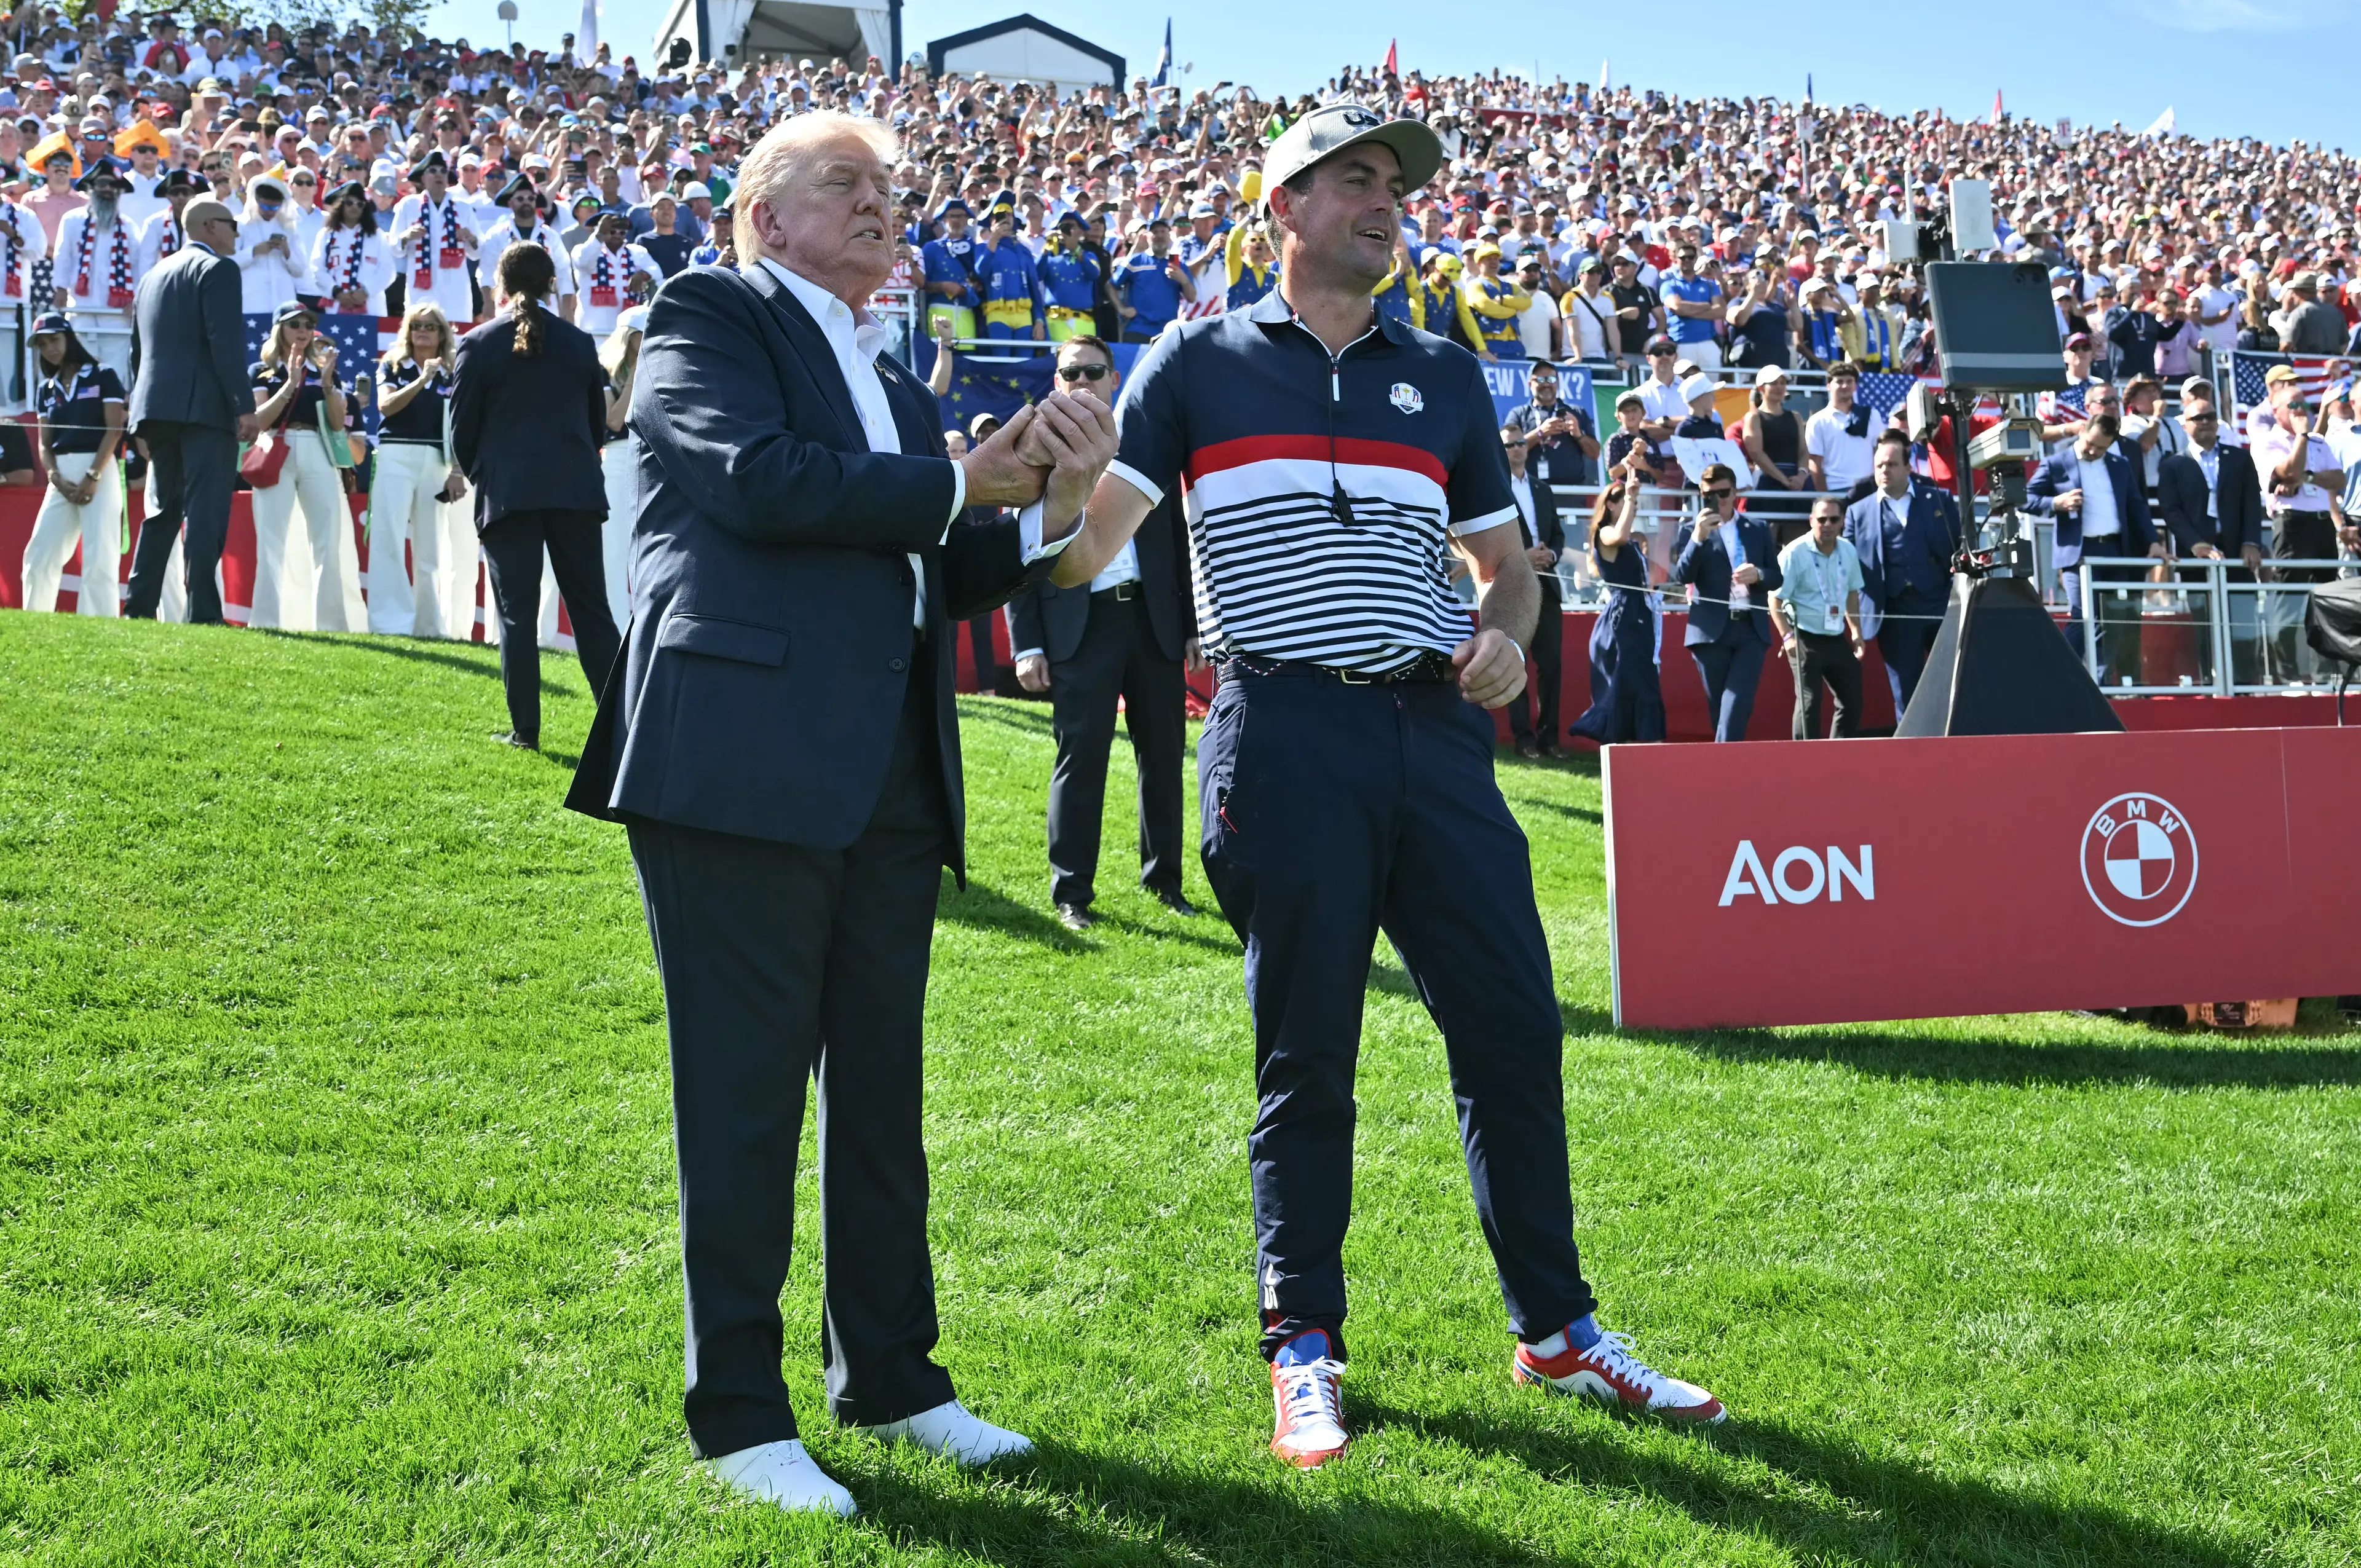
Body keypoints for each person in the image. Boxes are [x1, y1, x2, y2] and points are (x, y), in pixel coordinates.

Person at [1053, 102, 1724, 1473]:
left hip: (1436, 742)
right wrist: (1045, 503)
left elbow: (1513, 571)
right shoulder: (1194, 357)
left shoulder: (1447, 374)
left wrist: (1508, 638)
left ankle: (1557, 1328)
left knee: (1514, 1031)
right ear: (1282, 208)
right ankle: (1304, 1343)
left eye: (1395, 183)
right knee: (1308, 1053)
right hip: (1285, 730)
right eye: (1351, 179)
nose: (1384, 200)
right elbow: (1088, 550)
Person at [561, 110, 1115, 1517]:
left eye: (887, 187)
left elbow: (925, 565)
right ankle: (738, 1408)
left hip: (885, 775)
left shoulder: (889, 372)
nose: (880, 204)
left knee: (878, 1099)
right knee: (741, 1100)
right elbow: (761, 480)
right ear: (764, 212)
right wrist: (957, 480)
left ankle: (893, 1375)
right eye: (842, 184)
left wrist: (1052, 508)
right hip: (738, 761)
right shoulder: (704, 312)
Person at [1004, 334, 1200, 929]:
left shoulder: (1147, 443)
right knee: (1080, 757)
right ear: (1056, 382)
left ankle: (1164, 881)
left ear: (1115, 379)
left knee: (1164, 755)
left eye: (1095, 371)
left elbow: (1179, 546)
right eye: (1072, 372)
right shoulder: (1036, 453)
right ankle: (1071, 894)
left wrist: (1193, 626)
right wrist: (1027, 644)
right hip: (1079, 627)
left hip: (1153, 622)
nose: (1084, 381)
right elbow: (1019, 555)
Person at [451, 242, 621, 747]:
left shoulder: (478, 343)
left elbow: (463, 432)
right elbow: (597, 424)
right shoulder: (579, 342)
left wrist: (487, 471)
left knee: (516, 614)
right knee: (593, 611)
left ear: (500, 286)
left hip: (509, 493)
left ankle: (526, 729)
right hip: (575, 488)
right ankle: (624, 726)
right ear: (553, 284)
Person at [123, 197, 256, 624]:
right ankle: (202, 612)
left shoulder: (152, 276)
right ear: (211, 226)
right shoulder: (218, 269)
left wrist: (138, 416)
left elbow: (136, 353)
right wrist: (244, 405)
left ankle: (139, 606)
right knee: (205, 509)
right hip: (203, 407)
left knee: (163, 508)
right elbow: (226, 343)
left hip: (156, 407)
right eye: (232, 224)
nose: (237, 232)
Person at [246, 299, 363, 632]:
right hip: (273, 448)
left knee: (327, 539)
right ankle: (266, 622)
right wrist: (289, 384)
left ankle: (330, 625)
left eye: (308, 325)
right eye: (294, 324)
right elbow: (257, 421)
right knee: (271, 538)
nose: (302, 331)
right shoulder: (261, 370)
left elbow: (339, 424)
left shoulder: (324, 368)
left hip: (317, 447)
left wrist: (327, 386)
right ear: (279, 329)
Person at [2027, 410, 2164, 686]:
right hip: (2079, 555)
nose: (2093, 450)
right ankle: (2053, 677)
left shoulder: (2119, 464)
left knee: (2113, 622)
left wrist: (2153, 542)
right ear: (2083, 431)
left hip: (2115, 553)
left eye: (2101, 447)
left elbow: (2137, 507)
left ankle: (2101, 685)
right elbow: (2026, 498)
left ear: (2111, 444)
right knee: (2082, 617)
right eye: (2090, 443)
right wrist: (2057, 503)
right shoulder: (2057, 462)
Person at [370, 303, 470, 638]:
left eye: (430, 326)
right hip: (396, 453)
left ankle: (429, 625)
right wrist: (422, 379)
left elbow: (460, 426)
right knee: (389, 538)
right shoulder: (393, 364)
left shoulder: (455, 371)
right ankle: (390, 622)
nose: (423, 332)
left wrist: (457, 471)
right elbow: (386, 405)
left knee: (432, 545)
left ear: (442, 333)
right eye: (416, 326)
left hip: (435, 459)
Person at [1844, 431, 1961, 711]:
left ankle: (1958, 747)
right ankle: (1914, 752)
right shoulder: (1857, 513)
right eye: (1880, 466)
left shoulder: (1939, 500)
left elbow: (1959, 548)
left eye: (1892, 464)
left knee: (1952, 687)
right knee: (1906, 696)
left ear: (1909, 467)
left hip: (1940, 607)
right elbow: (1846, 567)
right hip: (1894, 613)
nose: (1885, 470)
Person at [19, 312, 125, 615]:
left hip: (100, 469)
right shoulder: (46, 389)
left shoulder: (103, 374)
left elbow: (114, 430)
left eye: (54, 339)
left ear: (69, 338)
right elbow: (44, 443)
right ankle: (34, 625)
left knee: (100, 555)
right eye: (42, 344)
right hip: (61, 476)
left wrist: (93, 474)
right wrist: (54, 477)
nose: (49, 348)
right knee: (40, 553)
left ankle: (101, 630)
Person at [2157, 390, 2265, 686]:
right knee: (2205, 624)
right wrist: (2196, 544)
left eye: (2210, 417)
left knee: (2242, 621)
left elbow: (2251, 504)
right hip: (2197, 558)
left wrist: (2252, 542)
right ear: (2185, 424)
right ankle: (2211, 683)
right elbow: (2171, 510)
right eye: (2198, 418)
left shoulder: (2240, 459)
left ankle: (2245, 684)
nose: (2205, 422)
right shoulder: (2172, 465)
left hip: (2237, 553)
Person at [2244, 363, 2344, 678]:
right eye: (2295, 406)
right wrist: (2301, 437)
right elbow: (2286, 473)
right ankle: (2288, 676)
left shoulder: (2317, 441)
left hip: (2320, 524)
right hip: (2291, 525)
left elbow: (2338, 479)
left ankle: (2325, 673)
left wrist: (2309, 475)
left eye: (2305, 405)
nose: (2303, 411)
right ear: (2276, 412)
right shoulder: (2268, 441)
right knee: (2289, 601)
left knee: (2326, 600)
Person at [1669, 462, 1780, 741]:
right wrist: (1698, 537)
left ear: (1734, 493)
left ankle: (1724, 765)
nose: (1719, 500)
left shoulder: (1757, 528)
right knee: (1720, 708)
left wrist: (1759, 575)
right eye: (1710, 494)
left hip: (1750, 629)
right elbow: (1683, 575)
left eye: (1724, 492)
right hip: (1710, 632)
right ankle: (1726, 769)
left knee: (1737, 702)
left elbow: (1776, 577)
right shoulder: (1691, 530)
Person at [1565, 475, 1664, 744]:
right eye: (1626, 503)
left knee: (1642, 681)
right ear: (1611, 505)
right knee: (1632, 682)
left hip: (1640, 613)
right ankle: (1635, 743)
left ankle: (1645, 743)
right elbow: (1619, 534)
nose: (1633, 508)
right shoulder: (1605, 533)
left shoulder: (1630, 542)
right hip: (1624, 617)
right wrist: (1631, 495)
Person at [1770, 496, 1867, 738]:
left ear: (1843, 521)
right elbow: (1775, 599)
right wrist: (1788, 637)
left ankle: (1837, 755)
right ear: (1811, 520)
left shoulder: (1848, 550)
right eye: (1822, 519)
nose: (1828, 524)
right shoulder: (1794, 552)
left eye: (1834, 519)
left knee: (1852, 700)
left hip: (1835, 635)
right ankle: (1804, 762)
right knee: (1809, 703)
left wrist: (1856, 632)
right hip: (1803, 635)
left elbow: (1852, 593)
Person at [1500, 422, 1565, 757]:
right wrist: (1522, 558)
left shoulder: (1542, 489)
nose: (1516, 448)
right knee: (1517, 662)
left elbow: (1557, 533)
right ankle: (1524, 740)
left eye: (1520, 443)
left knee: (1551, 665)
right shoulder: (1494, 488)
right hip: (1512, 589)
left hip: (1549, 587)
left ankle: (1550, 739)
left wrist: (1551, 555)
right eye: (1509, 444)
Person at [390, 151, 480, 325]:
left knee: (457, 341)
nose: (439, 175)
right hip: (421, 289)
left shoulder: (463, 208)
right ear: (423, 178)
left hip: (455, 290)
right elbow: (394, 247)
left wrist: (470, 238)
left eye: (443, 171)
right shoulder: (409, 205)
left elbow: (477, 252)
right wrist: (406, 237)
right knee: (420, 333)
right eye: (433, 171)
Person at [1741, 364, 1810, 546]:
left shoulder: (1795, 417)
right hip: (1768, 483)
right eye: (1774, 383)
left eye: (1782, 382)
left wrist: (1801, 476)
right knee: (1766, 543)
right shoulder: (1754, 417)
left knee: (1799, 544)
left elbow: (1803, 451)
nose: (1780, 387)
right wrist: (1784, 479)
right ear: (1761, 388)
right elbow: (1756, 453)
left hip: (1796, 483)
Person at [1505, 359, 1597, 489]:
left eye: (1551, 380)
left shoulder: (1576, 412)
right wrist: (1540, 433)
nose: (1547, 384)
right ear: (1530, 384)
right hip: (1531, 489)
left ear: (1558, 383)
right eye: (1541, 380)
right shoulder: (1518, 414)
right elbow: (1505, 452)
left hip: (1573, 491)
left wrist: (1578, 434)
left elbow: (1595, 454)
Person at [310, 178, 393, 316]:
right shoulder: (326, 235)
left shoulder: (377, 235)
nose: (355, 207)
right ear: (340, 206)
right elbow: (316, 269)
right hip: (335, 308)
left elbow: (388, 271)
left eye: (360, 204)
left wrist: (366, 291)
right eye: (349, 203)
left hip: (371, 309)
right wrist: (336, 292)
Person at [234, 170, 307, 315]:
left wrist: (287, 252)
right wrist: (254, 251)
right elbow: (229, 263)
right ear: (256, 201)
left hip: (283, 299)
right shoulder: (240, 225)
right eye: (265, 207)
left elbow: (300, 270)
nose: (270, 212)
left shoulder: (288, 228)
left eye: (275, 207)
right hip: (252, 301)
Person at [1805, 361, 1877, 502]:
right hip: (1836, 491)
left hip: (1869, 490)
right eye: (1839, 381)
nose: (1845, 386)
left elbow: (1878, 451)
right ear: (1828, 386)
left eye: (1850, 381)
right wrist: (1825, 497)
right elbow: (1815, 463)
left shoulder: (1873, 415)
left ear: (1855, 386)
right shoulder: (1817, 421)